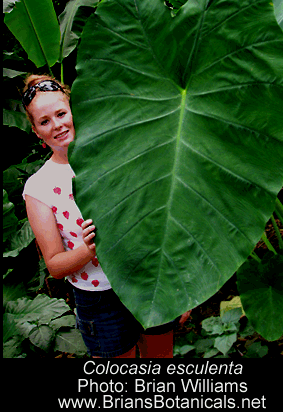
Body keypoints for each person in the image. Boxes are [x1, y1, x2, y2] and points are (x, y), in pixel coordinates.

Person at [21, 74, 190, 358]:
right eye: (45, 121)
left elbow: (158, 222)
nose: (57, 125)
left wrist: (180, 287)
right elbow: (55, 266)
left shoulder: (116, 152)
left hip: (147, 277)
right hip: (97, 299)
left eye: (61, 113)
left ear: (74, 110)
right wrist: (88, 250)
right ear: (37, 131)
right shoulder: (38, 187)